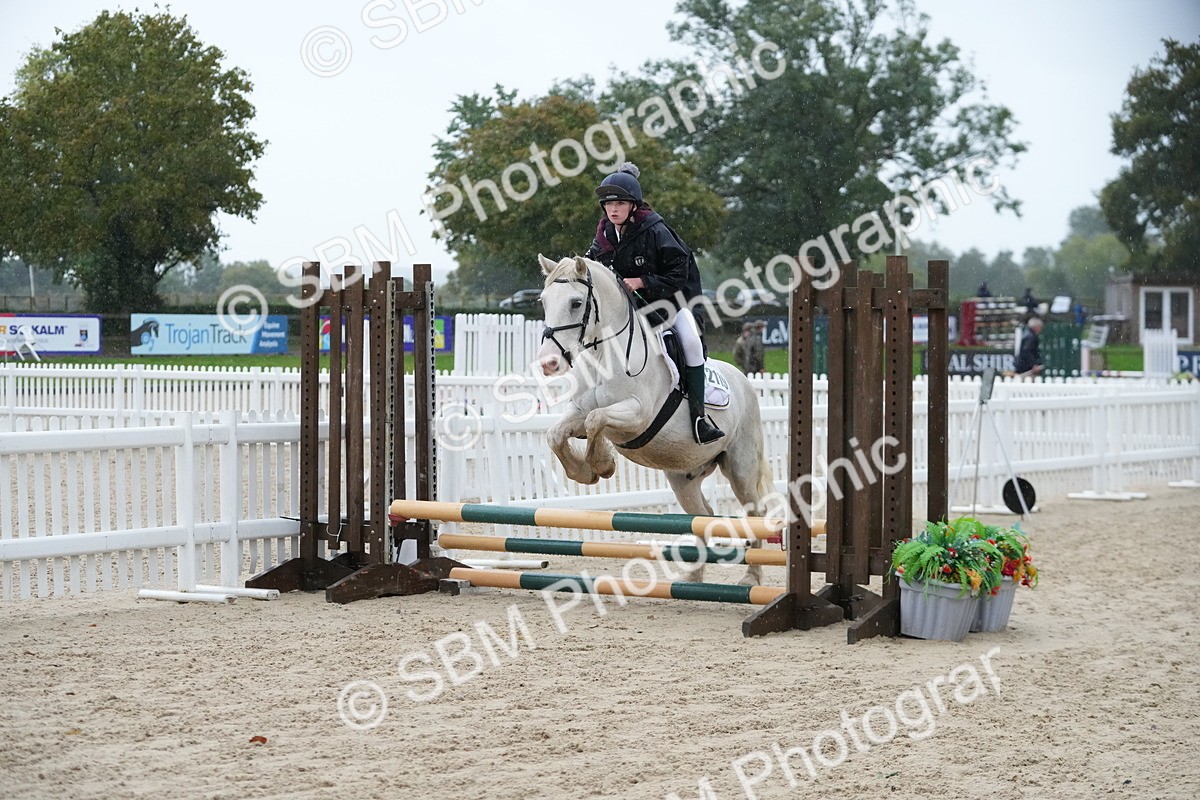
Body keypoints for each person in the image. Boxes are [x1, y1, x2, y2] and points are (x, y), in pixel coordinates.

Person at [585, 162, 724, 444]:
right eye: (608, 204)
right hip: (630, 309)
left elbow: (679, 272)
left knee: (692, 344)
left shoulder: (656, 230)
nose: (613, 209)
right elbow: (590, 265)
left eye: (620, 203)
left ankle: (700, 418)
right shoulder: (605, 235)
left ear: (634, 205)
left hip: (671, 300)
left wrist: (643, 282)